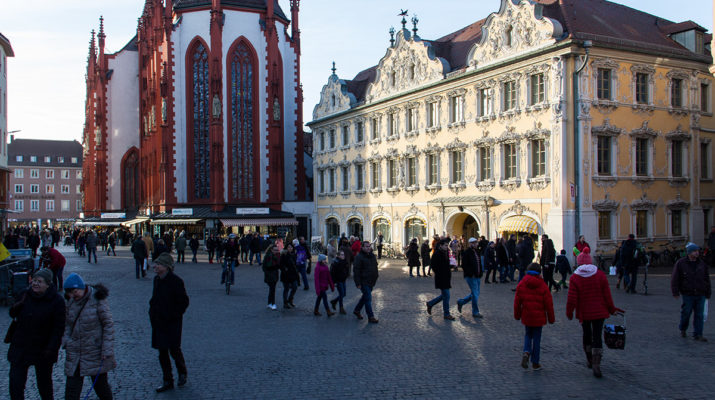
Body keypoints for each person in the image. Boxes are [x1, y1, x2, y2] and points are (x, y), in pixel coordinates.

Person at [7, 268, 66, 400]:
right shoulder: (24, 294)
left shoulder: (57, 301)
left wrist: (51, 348)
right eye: (34, 280)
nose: (35, 284)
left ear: (48, 284)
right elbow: (12, 314)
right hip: (20, 346)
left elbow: (58, 328)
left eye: (39, 281)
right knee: (15, 383)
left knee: (44, 384)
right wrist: (17, 306)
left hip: (43, 348)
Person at [566, 247, 622, 378]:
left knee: (587, 334)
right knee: (597, 336)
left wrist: (569, 312)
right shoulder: (600, 274)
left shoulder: (575, 278)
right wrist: (612, 309)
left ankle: (589, 358)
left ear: (579, 263)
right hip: (599, 311)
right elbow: (607, 295)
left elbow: (572, 298)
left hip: (584, 312)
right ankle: (597, 364)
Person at [62, 273, 116, 400]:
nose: (72, 296)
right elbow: (67, 324)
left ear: (81, 288)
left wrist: (106, 349)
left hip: (95, 351)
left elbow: (108, 324)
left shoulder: (97, 299)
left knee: (101, 387)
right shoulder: (70, 301)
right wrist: (66, 340)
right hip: (75, 351)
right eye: (69, 293)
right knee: (71, 390)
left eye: (74, 292)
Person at [149, 253, 190, 392]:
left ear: (166, 267)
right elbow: (154, 299)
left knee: (174, 350)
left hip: (172, 322)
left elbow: (184, 301)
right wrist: (152, 314)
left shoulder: (176, 281)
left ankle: (182, 372)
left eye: (158, 264)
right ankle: (167, 380)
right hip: (159, 322)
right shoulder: (157, 280)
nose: (155, 266)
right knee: (162, 353)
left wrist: (174, 315)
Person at [514, 263, 555, 371]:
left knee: (528, 335)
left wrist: (517, 315)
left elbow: (517, 302)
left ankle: (526, 352)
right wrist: (551, 318)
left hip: (527, 315)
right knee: (537, 339)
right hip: (539, 317)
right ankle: (535, 363)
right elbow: (549, 304)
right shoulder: (543, 285)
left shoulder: (522, 284)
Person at [671, 243, 711, 341]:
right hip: (688, 293)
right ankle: (683, 328)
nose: (697, 253)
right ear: (689, 253)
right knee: (686, 312)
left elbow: (706, 279)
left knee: (699, 314)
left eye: (697, 251)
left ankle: (698, 334)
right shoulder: (681, 263)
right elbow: (675, 278)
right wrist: (675, 291)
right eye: (694, 251)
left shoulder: (702, 264)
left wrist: (708, 292)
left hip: (700, 292)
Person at [426, 238, 455, 320]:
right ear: (441, 246)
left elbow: (446, 265)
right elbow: (434, 266)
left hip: (446, 277)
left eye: (447, 245)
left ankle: (430, 304)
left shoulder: (446, 253)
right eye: (445, 245)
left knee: (445, 295)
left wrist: (451, 265)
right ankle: (446, 314)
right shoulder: (437, 254)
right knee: (447, 295)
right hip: (441, 278)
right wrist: (441, 272)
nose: (447, 247)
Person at [456, 237, 483, 318]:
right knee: (475, 294)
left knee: (476, 293)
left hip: (477, 275)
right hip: (471, 276)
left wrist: (480, 273)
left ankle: (461, 302)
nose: (476, 244)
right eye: (474, 243)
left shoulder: (477, 251)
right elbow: (464, 265)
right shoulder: (467, 252)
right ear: (471, 244)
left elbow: (479, 263)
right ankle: (475, 311)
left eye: (476, 243)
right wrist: (471, 273)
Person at [353, 241, 379, 323]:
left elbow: (375, 267)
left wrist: (376, 276)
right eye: (366, 246)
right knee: (368, 298)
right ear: (362, 247)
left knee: (365, 297)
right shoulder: (359, 257)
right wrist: (358, 283)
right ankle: (371, 316)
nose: (368, 248)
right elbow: (356, 271)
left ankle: (357, 310)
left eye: (369, 246)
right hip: (363, 281)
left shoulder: (372, 256)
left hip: (371, 281)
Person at [329, 250, 350, 314]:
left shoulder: (344, 261)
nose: (343, 256)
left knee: (344, 294)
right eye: (341, 254)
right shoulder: (335, 262)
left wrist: (346, 275)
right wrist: (334, 282)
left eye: (343, 254)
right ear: (338, 255)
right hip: (338, 281)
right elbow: (332, 273)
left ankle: (334, 301)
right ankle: (341, 308)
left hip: (343, 280)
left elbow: (346, 269)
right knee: (342, 294)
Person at [279, 243, 299, 309]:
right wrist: (285, 269)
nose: (290, 248)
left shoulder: (294, 255)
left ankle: (290, 299)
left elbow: (295, 264)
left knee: (295, 287)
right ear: (286, 248)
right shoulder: (284, 255)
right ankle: (285, 303)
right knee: (286, 289)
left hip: (293, 274)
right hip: (286, 275)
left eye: (291, 247)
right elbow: (280, 264)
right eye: (289, 247)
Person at [262, 245, 281, 310]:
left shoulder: (277, 256)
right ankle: (273, 303)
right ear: (271, 250)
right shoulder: (268, 256)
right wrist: (267, 273)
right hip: (270, 275)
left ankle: (269, 303)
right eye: (275, 250)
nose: (276, 251)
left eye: (277, 250)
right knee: (272, 289)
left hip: (275, 275)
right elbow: (264, 267)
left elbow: (279, 265)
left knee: (272, 289)